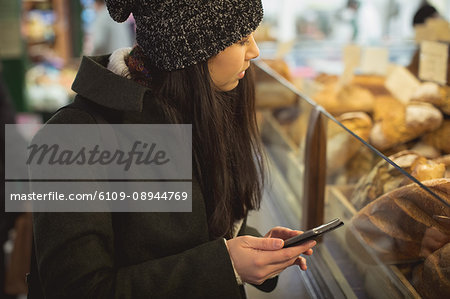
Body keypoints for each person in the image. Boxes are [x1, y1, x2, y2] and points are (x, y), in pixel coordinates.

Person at [28, 1, 317, 298]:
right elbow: (78, 289)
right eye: (242, 39)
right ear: (192, 47)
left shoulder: (203, 109)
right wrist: (227, 264)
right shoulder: (71, 139)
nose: (255, 51)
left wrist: (255, 249)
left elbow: (197, 231)